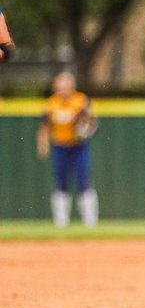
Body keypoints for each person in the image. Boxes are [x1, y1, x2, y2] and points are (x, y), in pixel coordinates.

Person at [37, 71, 100, 228]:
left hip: (78, 146)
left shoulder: (81, 101)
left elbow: (91, 122)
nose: (61, 89)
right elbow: (45, 127)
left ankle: (90, 222)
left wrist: (85, 127)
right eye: (58, 86)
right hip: (60, 146)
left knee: (83, 181)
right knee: (61, 183)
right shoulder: (52, 104)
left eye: (64, 86)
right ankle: (61, 222)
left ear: (72, 86)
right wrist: (43, 144)